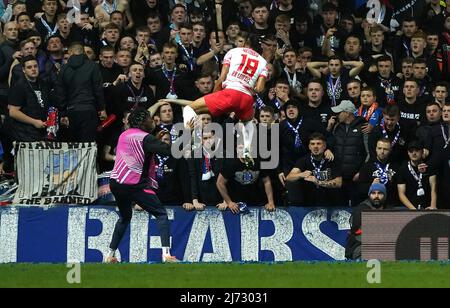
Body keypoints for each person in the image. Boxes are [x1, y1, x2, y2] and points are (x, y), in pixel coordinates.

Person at [161, 35, 268, 166]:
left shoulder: (233, 52)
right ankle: (246, 150)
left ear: (245, 43)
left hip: (231, 92)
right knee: (247, 122)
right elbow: (260, 88)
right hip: (246, 98)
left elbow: (222, 78)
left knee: (190, 108)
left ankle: (192, 139)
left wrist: (214, 96)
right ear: (260, 49)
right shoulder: (263, 62)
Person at [106, 108, 179, 263]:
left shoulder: (124, 135)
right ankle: (166, 255)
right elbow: (168, 150)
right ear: (143, 121)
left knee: (125, 217)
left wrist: (154, 139)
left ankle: (110, 255)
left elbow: (142, 149)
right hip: (133, 184)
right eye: (149, 119)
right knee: (161, 214)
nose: (152, 121)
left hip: (115, 183)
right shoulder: (145, 138)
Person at [55, 42, 107, 142]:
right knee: (88, 145)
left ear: (70, 53)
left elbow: (60, 93)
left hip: (71, 111)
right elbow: (98, 89)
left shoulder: (64, 69)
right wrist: (102, 108)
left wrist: (62, 113)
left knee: (73, 146)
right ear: (83, 52)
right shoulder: (93, 66)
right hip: (89, 110)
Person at [346, 183, 388, 260]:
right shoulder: (361, 210)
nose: (376, 196)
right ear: (369, 195)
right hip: (359, 246)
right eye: (373, 193)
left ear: (385, 196)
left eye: (380, 193)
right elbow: (358, 234)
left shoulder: (388, 210)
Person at [397, 140, 438, 210]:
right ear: (408, 153)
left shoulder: (429, 167)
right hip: (409, 208)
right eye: (411, 151)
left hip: (427, 208)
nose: (414, 153)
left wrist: (433, 206)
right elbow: (401, 194)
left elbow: (433, 188)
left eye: (417, 150)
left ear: (422, 152)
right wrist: (413, 210)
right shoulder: (402, 169)